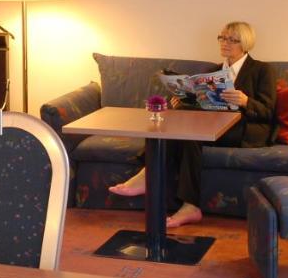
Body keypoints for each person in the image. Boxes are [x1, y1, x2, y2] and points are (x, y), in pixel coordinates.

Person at [109, 21, 277, 227]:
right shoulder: (213, 72)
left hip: (243, 128)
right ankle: (189, 205)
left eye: (232, 40)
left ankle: (149, 175)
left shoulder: (262, 70)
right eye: (222, 38)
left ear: (245, 43)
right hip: (211, 122)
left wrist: (245, 101)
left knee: (191, 131)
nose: (224, 43)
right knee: (185, 129)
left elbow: (268, 111)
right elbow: (202, 104)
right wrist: (182, 100)